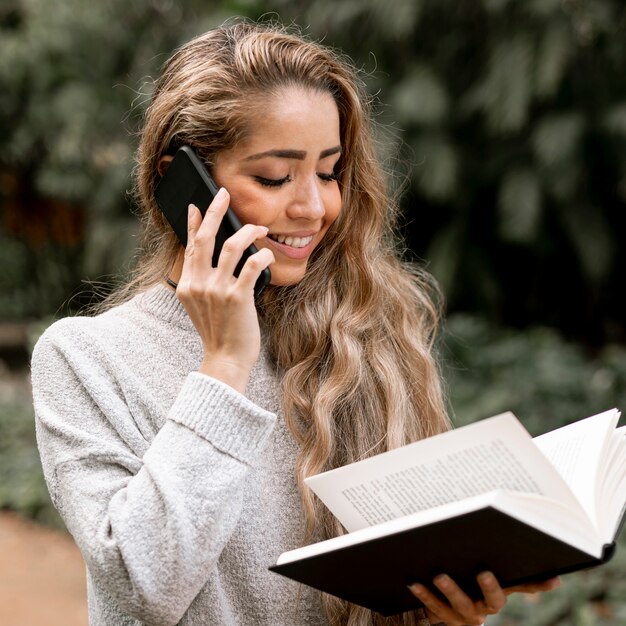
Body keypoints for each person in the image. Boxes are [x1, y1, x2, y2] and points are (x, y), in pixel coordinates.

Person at [31, 20, 559, 626]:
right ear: (179, 181)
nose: (313, 207)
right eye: (275, 177)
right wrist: (225, 364)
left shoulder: (369, 334)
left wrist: (447, 613)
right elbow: (139, 592)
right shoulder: (87, 360)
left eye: (329, 172)